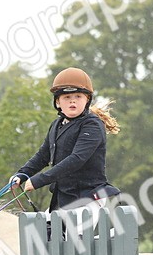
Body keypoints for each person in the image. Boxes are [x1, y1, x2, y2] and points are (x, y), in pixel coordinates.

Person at [10, 67, 121, 211]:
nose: (72, 101)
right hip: (63, 197)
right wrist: (22, 174)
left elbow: (76, 159)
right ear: (58, 102)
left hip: (88, 198)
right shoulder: (56, 125)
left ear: (87, 100)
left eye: (78, 97)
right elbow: (43, 156)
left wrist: (39, 180)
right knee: (46, 232)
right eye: (67, 97)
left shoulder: (92, 125)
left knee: (73, 234)